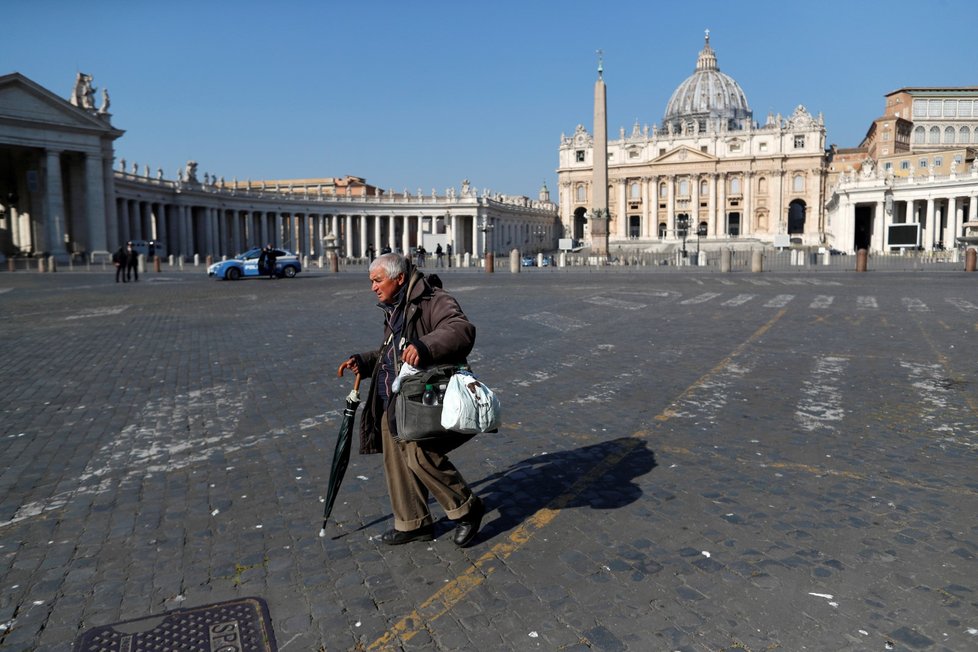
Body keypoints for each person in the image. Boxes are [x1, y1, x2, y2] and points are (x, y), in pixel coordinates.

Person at [338, 253, 484, 547]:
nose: (373, 288)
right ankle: (413, 522)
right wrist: (366, 363)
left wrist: (425, 346)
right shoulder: (395, 307)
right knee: (397, 461)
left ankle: (466, 507)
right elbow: (391, 352)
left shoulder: (433, 298)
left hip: (422, 398)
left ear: (399, 278)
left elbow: (460, 329)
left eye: (378, 280)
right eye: (371, 282)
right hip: (395, 398)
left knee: (419, 454)